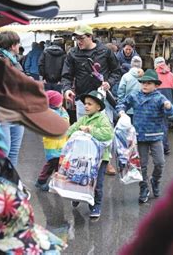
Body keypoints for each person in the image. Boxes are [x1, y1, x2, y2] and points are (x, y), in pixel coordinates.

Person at [61, 23, 121, 175]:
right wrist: (67, 89)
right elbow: (66, 75)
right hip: (83, 98)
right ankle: (87, 161)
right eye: (76, 39)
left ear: (90, 37)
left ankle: (106, 161)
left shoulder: (105, 51)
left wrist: (110, 82)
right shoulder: (72, 53)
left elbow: (117, 71)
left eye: (81, 38)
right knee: (84, 131)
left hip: (103, 98)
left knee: (105, 131)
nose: (78, 42)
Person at [116, 69, 173, 203]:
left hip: (156, 136)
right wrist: (121, 112)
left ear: (156, 85)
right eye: (143, 83)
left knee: (160, 162)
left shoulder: (160, 98)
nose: (145, 85)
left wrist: (168, 106)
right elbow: (121, 103)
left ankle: (155, 180)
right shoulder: (135, 95)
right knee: (141, 165)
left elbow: (172, 113)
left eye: (149, 83)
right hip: (140, 136)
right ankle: (143, 188)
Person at [67, 90, 114, 218]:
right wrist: (66, 134)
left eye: (90, 104)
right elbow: (72, 129)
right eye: (85, 104)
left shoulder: (103, 119)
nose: (86, 106)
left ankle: (95, 205)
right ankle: (77, 196)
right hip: (83, 156)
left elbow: (108, 134)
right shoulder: (83, 119)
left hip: (99, 158)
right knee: (78, 178)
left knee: (97, 183)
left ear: (98, 107)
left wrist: (90, 129)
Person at [0, 31, 25, 166]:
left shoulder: (14, 61)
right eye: (18, 43)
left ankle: (12, 182)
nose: (19, 46)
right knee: (3, 152)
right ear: (13, 45)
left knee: (14, 152)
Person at [35, 90, 69, 191]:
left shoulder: (54, 110)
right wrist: (65, 113)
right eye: (60, 101)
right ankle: (41, 181)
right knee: (52, 164)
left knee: (57, 163)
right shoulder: (52, 113)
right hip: (54, 145)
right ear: (53, 103)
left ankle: (57, 182)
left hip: (58, 143)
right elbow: (64, 121)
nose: (62, 102)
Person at [154, 57, 173, 155]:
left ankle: (158, 148)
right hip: (168, 103)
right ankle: (165, 147)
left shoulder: (154, 75)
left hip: (155, 103)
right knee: (164, 125)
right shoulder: (171, 75)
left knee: (156, 126)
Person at [117, 56, 143, 120]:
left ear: (131, 64)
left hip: (127, 109)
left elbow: (120, 92)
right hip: (140, 109)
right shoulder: (144, 77)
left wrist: (121, 105)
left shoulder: (125, 76)